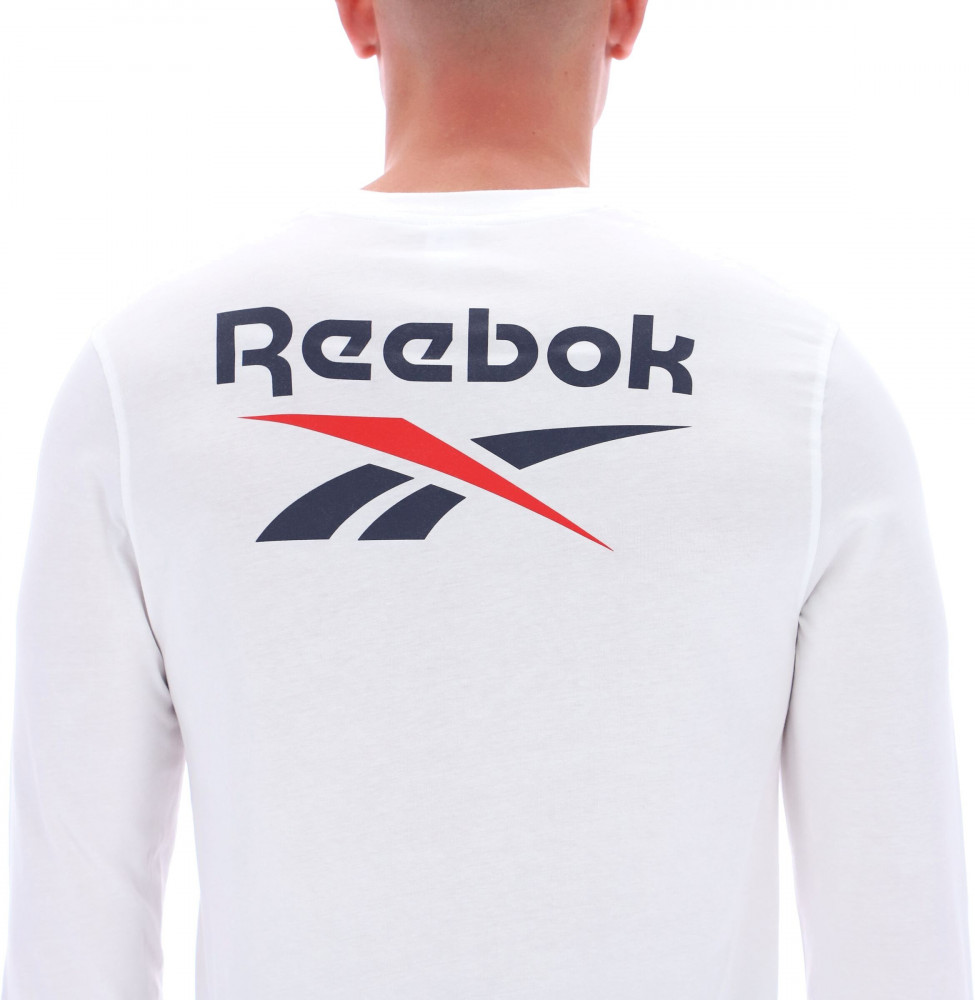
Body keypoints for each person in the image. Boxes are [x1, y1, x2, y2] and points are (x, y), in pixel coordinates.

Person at [2, 0, 972, 997]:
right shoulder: (797, 383)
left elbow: (70, 929)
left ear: (356, 13)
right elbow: (895, 930)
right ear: (627, 14)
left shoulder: (147, 377)